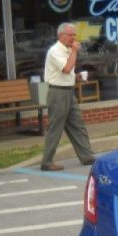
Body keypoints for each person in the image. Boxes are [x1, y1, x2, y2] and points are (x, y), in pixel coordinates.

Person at [40, 22, 95, 171]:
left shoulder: (67, 51)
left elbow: (68, 71)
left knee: (78, 125)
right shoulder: (55, 51)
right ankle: (47, 161)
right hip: (57, 93)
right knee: (55, 128)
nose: (74, 38)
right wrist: (75, 52)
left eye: (74, 35)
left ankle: (86, 155)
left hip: (69, 92)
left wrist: (76, 76)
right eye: (71, 35)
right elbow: (66, 68)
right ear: (61, 35)